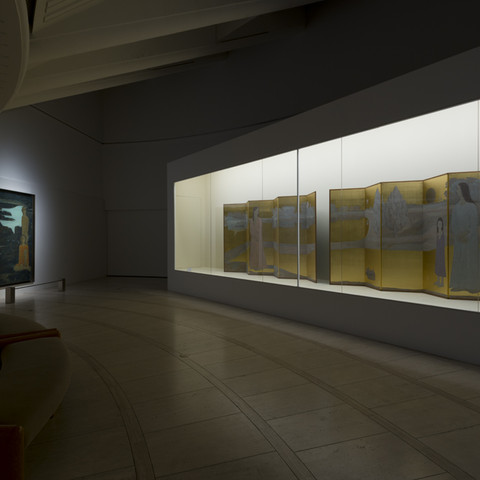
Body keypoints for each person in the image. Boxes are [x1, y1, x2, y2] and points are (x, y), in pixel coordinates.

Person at [450, 182, 480, 293]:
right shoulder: (456, 207)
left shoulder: (471, 207)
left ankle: (472, 286)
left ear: (463, 190)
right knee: (460, 261)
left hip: (470, 240)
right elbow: (453, 223)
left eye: (458, 189)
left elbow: (474, 224)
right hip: (459, 240)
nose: (457, 191)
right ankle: (459, 284)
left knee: (469, 261)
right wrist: (458, 234)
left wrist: (468, 235)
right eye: (457, 189)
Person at [248, 207, 266, 272]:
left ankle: (260, 266)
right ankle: (254, 265)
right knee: (254, 251)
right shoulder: (251, 220)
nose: (257, 212)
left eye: (258, 211)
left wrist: (258, 237)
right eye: (256, 211)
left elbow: (260, 229)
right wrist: (254, 235)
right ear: (254, 212)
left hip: (259, 238)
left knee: (259, 251)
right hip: (253, 238)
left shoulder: (260, 220)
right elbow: (251, 230)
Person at [434, 217, 446, 287]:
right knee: (437, 266)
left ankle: (442, 282)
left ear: (442, 225)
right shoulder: (437, 233)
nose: (439, 225)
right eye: (438, 224)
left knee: (441, 266)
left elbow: (443, 244)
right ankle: (438, 281)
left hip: (441, 253)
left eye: (440, 224)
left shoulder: (442, 234)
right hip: (437, 253)